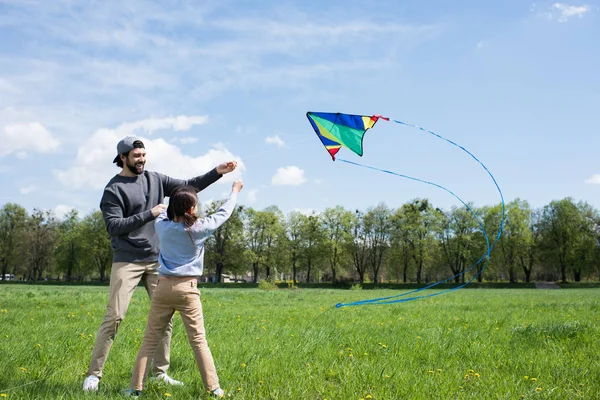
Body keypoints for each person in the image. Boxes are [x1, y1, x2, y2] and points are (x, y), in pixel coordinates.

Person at [83, 136, 238, 392]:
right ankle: (94, 375)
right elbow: (113, 227)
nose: (142, 160)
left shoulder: (155, 179)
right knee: (115, 316)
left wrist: (217, 173)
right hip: (127, 259)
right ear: (123, 158)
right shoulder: (113, 190)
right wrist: (149, 214)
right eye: (136, 156)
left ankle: (159, 373)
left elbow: (189, 186)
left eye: (143, 155)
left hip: (157, 261)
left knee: (164, 319)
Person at [124, 181, 243, 398]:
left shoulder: (162, 225)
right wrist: (234, 191)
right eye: (195, 206)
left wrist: (163, 203)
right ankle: (214, 389)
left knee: (150, 340)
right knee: (198, 341)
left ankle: (134, 389)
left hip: (162, 288)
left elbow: (161, 212)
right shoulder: (199, 228)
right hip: (188, 290)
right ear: (190, 210)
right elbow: (224, 213)